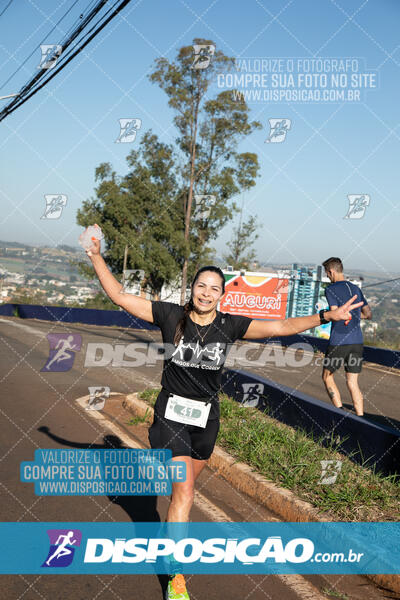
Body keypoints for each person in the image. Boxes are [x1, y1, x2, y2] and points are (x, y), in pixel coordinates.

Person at [84, 226, 363, 599]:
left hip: (206, 419)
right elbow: (119, 295)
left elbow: (280, 326)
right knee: (183, 490)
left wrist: (325, 316)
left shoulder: (229, 325)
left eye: (214, 288)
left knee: (185, 492)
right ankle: (177, 576)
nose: (206, 292)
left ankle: (171, 535)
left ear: (221, 294)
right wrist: (96, 256)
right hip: (170, 414)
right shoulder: (169, 316)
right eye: (202, 285)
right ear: (193, 288)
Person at [321, 257, 372, 416]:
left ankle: (339, 413)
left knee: (327, 377)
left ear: (331, 271)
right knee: (352, 382)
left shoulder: (330, 289)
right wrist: (355, 317)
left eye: (327, 274)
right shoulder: (356, 289)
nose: (328, 277)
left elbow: (336, 314)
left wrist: (324, 315)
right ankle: (360, 418)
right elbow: (368, 314)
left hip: (339, 341)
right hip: (357, 341)